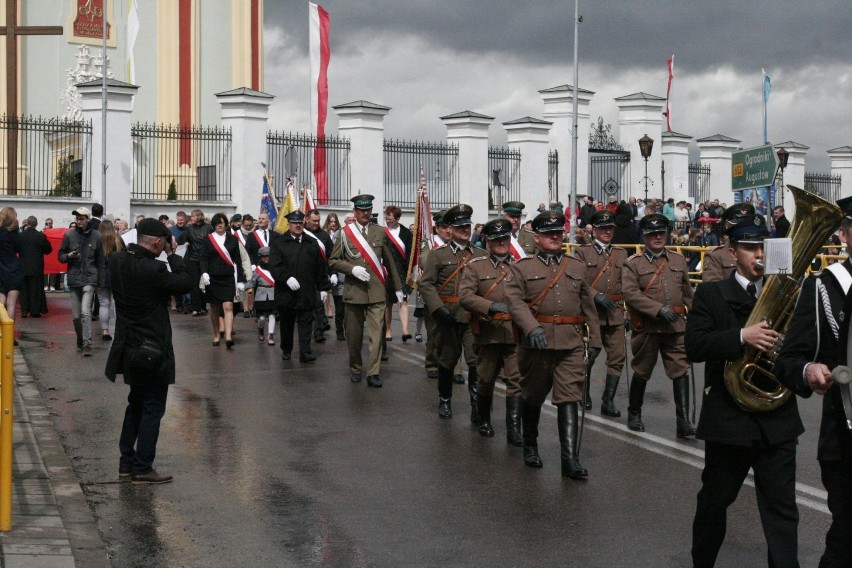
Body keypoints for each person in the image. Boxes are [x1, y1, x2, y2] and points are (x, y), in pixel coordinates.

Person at [687, 213, 808, 567]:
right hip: (729, 420)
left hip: (777, 422)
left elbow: (802, 346)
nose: (758, 255)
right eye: (749, 248)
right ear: (731, 250)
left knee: (782, 510)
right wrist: (742, 337)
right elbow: (694, 346)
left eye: (762, 248)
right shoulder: (711, 293)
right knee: (714, 502)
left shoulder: (788, 292)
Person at [775, 196, 852, 568]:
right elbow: (789, 360)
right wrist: (808, 370)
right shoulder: (824, 287)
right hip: (845, 438)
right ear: (845, 235)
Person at [505, 211, 602, 478]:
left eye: (558, 233)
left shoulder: (576, 266)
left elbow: (588, 306)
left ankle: (569, 459)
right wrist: (531, 327)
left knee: (569, 397)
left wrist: (595, 339)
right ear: (537, 238)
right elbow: (515, 302)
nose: (555, 237)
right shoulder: (522, 268)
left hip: (570, 343)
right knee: (533, 395)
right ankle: (531, 445)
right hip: (536, 344)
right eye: (549, 234)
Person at [105, 218, 193, 484]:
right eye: (164, 241)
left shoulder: (117, 261)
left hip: (128, 346)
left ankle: (126, 463)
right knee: (153, 408)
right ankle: (143, 467)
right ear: (157, 242)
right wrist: (173, 254)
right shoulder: (153, 270)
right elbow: (185, 282)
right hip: (153, 349)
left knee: (135, 404)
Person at [622, 213, 695, 437]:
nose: (657, 238)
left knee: (680, 370)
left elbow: (687, 293)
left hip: (675, 327)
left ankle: (683, 421)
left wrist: (695, 320)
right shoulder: (633, 263)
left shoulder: (678, 260)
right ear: (645, 237)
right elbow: (630, 294)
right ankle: (634, 413)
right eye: (652, 234)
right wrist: (657, 309)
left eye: (661, 233)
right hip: (648, 326)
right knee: (642, 370)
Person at [419, 204, 487, 418]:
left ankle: (477, 406)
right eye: (460, 226)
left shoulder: (481, 254)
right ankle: (445, 400)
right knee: (447, 361)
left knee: (475, 362)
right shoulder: (438, 255)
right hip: (447, 315)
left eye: (467, 225)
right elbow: (426, 284)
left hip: (472, 317)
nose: (465, 230)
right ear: (450, 229)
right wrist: (438, 309)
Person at [458, 218, 523, 443]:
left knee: (516, 380)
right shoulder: (476, 266)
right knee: (485, 379)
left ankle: (514, 428)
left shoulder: (521, 266)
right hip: (488, 332)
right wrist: (489, 306)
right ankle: (484, 419)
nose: (502, 243)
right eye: (496, 240)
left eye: (505, 238)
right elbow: (465, 296)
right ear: (487, 241)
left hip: (514, 332)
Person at [328, 194, 403, 387]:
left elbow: (389, 261)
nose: (365, 213)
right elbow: (333, 260)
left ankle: (373, 372)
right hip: (354, 292)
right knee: (353, 336)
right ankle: (355, 367)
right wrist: (351, 269)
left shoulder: (379, 232)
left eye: (368, 209)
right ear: (355, 211)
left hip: (376, 291)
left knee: (377, 335)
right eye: (362, 210)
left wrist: (398, 287)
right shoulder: (345, 233)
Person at [574, 210, 629, 416]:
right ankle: (584, 393)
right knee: (590, 354)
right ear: (594, 230)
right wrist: (595, 294)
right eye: (603, 228)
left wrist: (628, 313)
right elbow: (578, 280)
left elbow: (627, 285)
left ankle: (608, 401)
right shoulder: (582, 252)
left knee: (617, 358)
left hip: (614, 312)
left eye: (610, 228)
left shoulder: (621, 254)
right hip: (592, 313)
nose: (607, 232)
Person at [269, 211, 330, 362]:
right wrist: (286, 278)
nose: (298, 225)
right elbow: (275, 265)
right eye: (295, 223)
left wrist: (323, 287)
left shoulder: (311, 242)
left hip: (306, 291)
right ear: (288, 224)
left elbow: (320, 267)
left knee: (306, 323)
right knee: (287, 324)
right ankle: (287, 349)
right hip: (286, 292)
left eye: (300, 223)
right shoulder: (279, 242)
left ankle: (305, 352)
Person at [58, 207, 105, 355]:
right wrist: (68, 256)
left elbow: (101, 261)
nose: (79, 221)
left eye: (82, 218)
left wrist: (100, 282)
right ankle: (80, 338)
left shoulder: (96, 236)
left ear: (88, 220)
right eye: (77, 218)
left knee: (86, 312)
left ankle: (87, 344)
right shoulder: (69, 235)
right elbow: (60, 256)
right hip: (74, 278)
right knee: (76, 316)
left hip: (90, 278)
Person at [200, 213, 246, 349]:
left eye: (222, 222)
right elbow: (204, 258)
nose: (220, 225)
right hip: (212, 278)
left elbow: (238, 260)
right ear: (214, 225)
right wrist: (204, 273)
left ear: (226, 224)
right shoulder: (208, 239)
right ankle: (216, 334)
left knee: (228, 306)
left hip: (228, 277)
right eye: (217, 223)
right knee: (214, 309)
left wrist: (241, 280)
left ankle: (228, 336)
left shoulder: (233, 240)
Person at [382, 205, 413, 342]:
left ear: (397, 218)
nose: (387, 218)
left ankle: (405, 330)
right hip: (387, 271)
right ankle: (388, 330)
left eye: (390, 216)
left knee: (403, 300)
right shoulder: (382, 232)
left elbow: (410, 253)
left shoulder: (406, 233)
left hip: (401, 271)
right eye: (386, 216)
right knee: (388, 303)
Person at [702, 203, 755, 283]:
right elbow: (712, 291)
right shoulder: (716, 256)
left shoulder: (761, 252)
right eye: (738, 225)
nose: (743, 229)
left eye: (747, 225)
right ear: (727, 225)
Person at [304, 209, 334, 343]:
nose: (316, 223)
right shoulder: (302, 233)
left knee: (318, 306)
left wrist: (332, 273)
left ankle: (318, 333)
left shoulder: (324, 236)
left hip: (319, 276)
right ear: (307, 219)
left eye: (318, 220)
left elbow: (331, 256)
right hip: (304, 276)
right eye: (314, 220)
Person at [177, 209, 212, 316]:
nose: (191, 218)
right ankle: (196, 307)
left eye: (193, 216)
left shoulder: (208, 228)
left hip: (205, 258)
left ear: (199, 216)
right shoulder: (189, 228)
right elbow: (181, 239)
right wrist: (185, 242)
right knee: (194, 283)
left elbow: (211, 241)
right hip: (192, 258)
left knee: (204, 282)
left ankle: (203, 306)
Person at [97, 220, 126, 341]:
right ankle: (120, 329)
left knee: (104, 304)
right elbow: (125, 255)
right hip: (117, 275)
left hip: (102, 275)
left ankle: (105, 330)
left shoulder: (98, 240)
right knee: (117, 303)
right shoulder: (118, 239)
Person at [19, 215, 52, 318]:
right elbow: (48, 249)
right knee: (36, 290)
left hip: (23, 266)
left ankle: (24, 311)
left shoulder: (21, 236)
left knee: (24, 290)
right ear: (36, 224)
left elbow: (16, 248)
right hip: (36, 267)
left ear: (27, 224)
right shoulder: (40, 236)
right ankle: (35, 311)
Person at [0, 207, 24, 322]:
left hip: (1, 270)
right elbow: (20, 249)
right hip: (14, 270)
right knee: (11, 304)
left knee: (0, 304)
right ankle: (9, 336)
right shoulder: (15, 234)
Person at [250, 246, 277, 345]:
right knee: (261, 318)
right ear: (260, 257)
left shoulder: (275, 267)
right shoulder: (258, 270)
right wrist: (244, 287)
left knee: (272, 315)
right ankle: (261, 330)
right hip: (261, 296)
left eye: (268, 256)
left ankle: (271, 335)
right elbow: (252, 282)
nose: (266, 258)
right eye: (264, 257)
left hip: (273, 294)